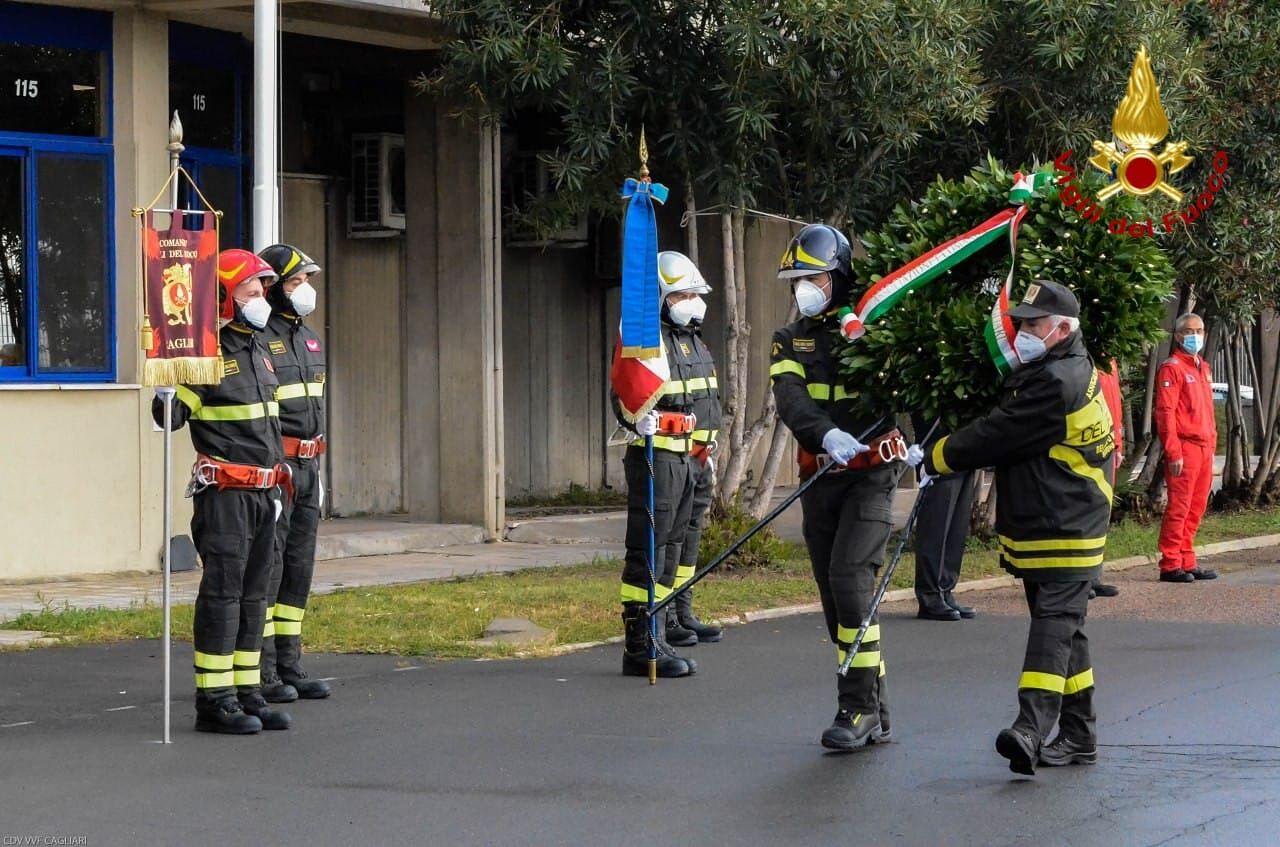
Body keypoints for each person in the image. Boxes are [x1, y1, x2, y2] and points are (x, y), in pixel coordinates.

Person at [921, 280, 1114, 774]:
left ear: (1063, 328)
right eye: (1021, 322)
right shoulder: (1061, 367)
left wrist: (938, 456)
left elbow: (998, 434)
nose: (1023, 331)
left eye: (1033, 324)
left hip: (1065, 521)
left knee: (1052, 624)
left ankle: (1031, 729)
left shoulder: (1056, 381)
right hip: (1057, 515)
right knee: (1066, 631)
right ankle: (1079, 735)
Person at [771, 223, 910, 751]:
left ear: (840, 275)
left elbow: (909, 380)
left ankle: (855, 708)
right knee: (837, 600)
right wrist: (826, 434)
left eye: (812, 277)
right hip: (821, 475)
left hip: (873, 475)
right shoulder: (789, 338)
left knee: (851, 579)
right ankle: (878, 704)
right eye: (796, 280)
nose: (801, 288)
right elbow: (791, 399)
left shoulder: (874, 327)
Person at [154, 248, 291, 734]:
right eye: (251, 293)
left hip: (265, 494)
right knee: (224, 595)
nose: (262, 301)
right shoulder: (207, 356)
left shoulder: (259, 350)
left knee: (256, 596)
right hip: (226, 496)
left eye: (262, 292)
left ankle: (247, 690)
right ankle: (214, 701)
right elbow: (167, 417)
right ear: (226, 299)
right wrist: (170, 374)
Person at [612, 269, 699, 679]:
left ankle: (658, 632)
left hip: (682, 457)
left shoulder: (679, 341)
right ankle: (639, 644)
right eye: (681, 294)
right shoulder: (646, 339)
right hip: (654, 457)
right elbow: (624, 392)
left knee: (667, 552)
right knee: (647, 550)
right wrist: (635, 420)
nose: (689, 302)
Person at [257, 244, 332, 701]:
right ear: (275, 290)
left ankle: (290, 663)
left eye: (306, 281)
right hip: (278, 468)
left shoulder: (309, 338)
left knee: (299, 567)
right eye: (295, 282)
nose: (305, 290)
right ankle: (262, 669)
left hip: (310, 465)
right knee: (270, 565)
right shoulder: (259, 339)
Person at [659, 251, 724, 645]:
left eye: (694, 295)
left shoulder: (694, 340)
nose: (691, 303)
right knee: (667, 536)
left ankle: (683, 610)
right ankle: (663, 616)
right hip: (671, 456)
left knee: (690, 534)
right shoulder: (653, 345)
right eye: (681, 296)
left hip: (701, 457)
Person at [1154, 313, 1219, 583]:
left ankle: (1187, 560)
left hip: (1204, 447)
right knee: (1179, 507)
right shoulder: (1172, 368)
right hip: (1185, 446)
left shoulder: (1202, 367)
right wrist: (1173, 451)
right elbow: (1165, 412)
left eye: (1200, 330)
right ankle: (1171, 563)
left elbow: (1208, 413)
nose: (1196, 336)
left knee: (1196, 507)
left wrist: (1213, 448)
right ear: (1178, 335)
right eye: (1190, 331)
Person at [911, 416, 977, 621]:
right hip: (937, 452)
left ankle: (945, 590)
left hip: (964, 451)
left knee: (956, 530)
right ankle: (930, 595)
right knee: (935, 528)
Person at [1091, 361, 1125, 598]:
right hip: (1089, 443)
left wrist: (1118, 445)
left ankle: (1093, 576)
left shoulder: (1109, 359)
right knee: (1085, 514)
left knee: (1101, 513)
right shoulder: (1085, 357)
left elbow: (1115, 406)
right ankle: (1079, 578)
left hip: (1108, 444)